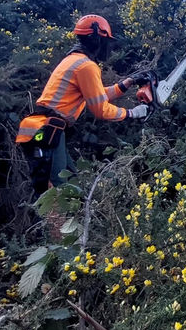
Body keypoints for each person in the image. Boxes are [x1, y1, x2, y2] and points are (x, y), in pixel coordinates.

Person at [15, 14, 151, 196]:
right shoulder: (86, 66)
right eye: (106, 41)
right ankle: (55, 216)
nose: (108, 47)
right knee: (58, 192)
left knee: (73, 185)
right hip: (47, 131)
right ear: (96, 39)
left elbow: (96, 95)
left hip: (44, 129)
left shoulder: (73, 60)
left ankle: (77, 213)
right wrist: (133, 113)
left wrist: (127, 83)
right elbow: (100, 109)